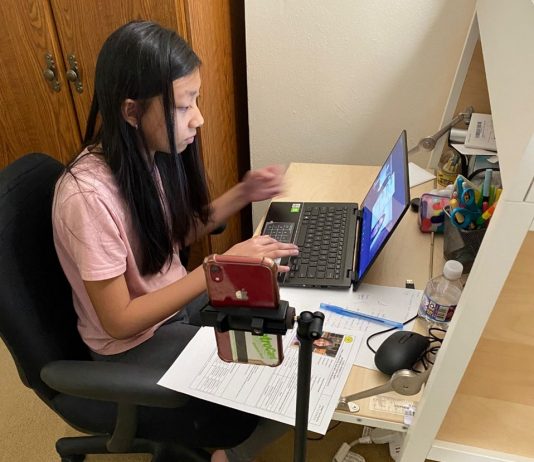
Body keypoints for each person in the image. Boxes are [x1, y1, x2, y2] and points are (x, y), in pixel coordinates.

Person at [52, 20, 299, 462]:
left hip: (171, 308)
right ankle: (227, 455)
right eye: (185, 106)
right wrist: (217, 269)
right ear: (132, 112)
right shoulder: (87, 198)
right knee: (283, 381)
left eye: (195, 100)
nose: (198, 118)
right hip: (133, 345)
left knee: (289, 328)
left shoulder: (144, 156)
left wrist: (243, 193)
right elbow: (120, 322)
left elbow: (170, 235)